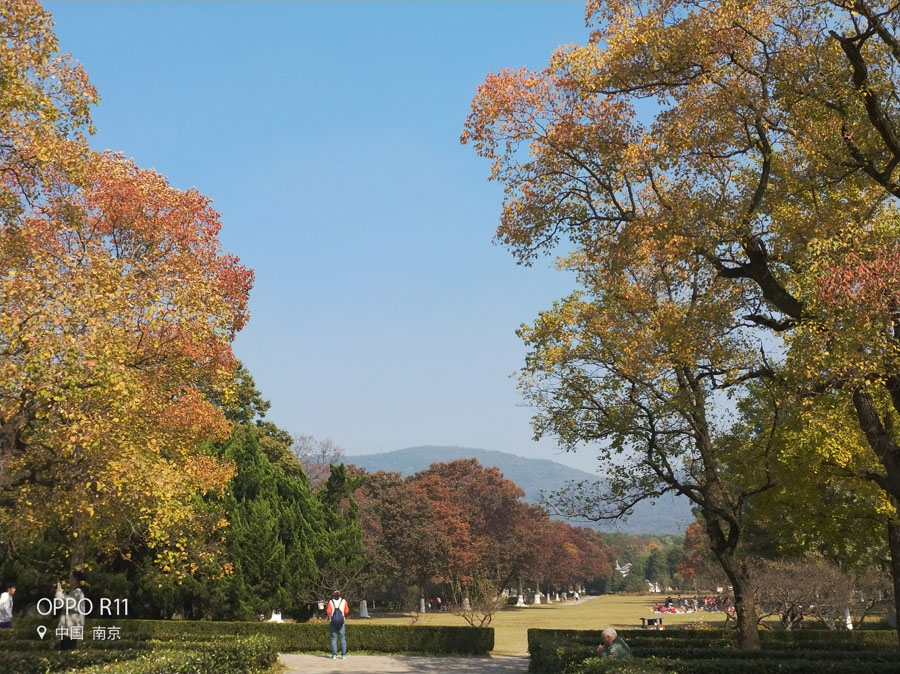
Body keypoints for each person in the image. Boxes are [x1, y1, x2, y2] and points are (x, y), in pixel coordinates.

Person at [326, 590, 348, 660]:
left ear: (333, 595)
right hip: (341, 622)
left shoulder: (330, 602)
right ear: (340, 595)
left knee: (333, 639)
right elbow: (347, 611)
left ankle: (334, 655)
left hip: (333, 622)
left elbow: (328, 611)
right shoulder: (344, 601)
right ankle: (343, 655)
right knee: (342, 638)